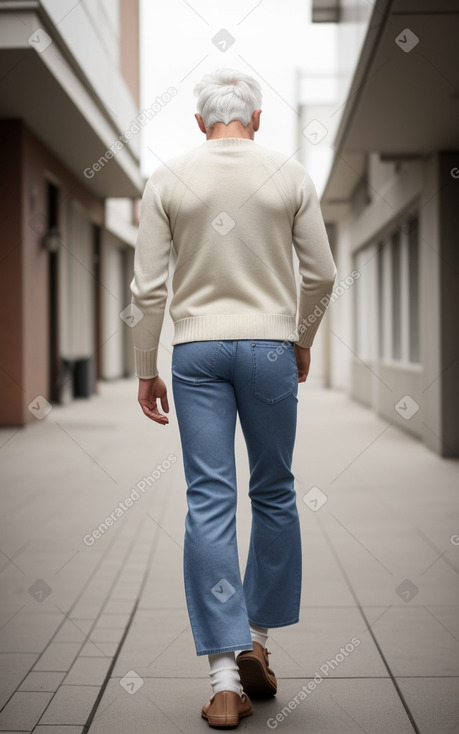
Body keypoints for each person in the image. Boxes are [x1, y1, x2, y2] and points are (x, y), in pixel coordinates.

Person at [130, 68, 336, 729]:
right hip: (271, 347)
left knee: (207, 500)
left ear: (198, 123)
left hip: (196, 353)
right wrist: (300, 338)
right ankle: (259, 642)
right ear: (256, 119)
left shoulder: (166, 179)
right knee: (274, 490)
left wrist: (144, 368)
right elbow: (322, 274)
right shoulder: (290, 175)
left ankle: (223, 682)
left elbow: (148, 292)